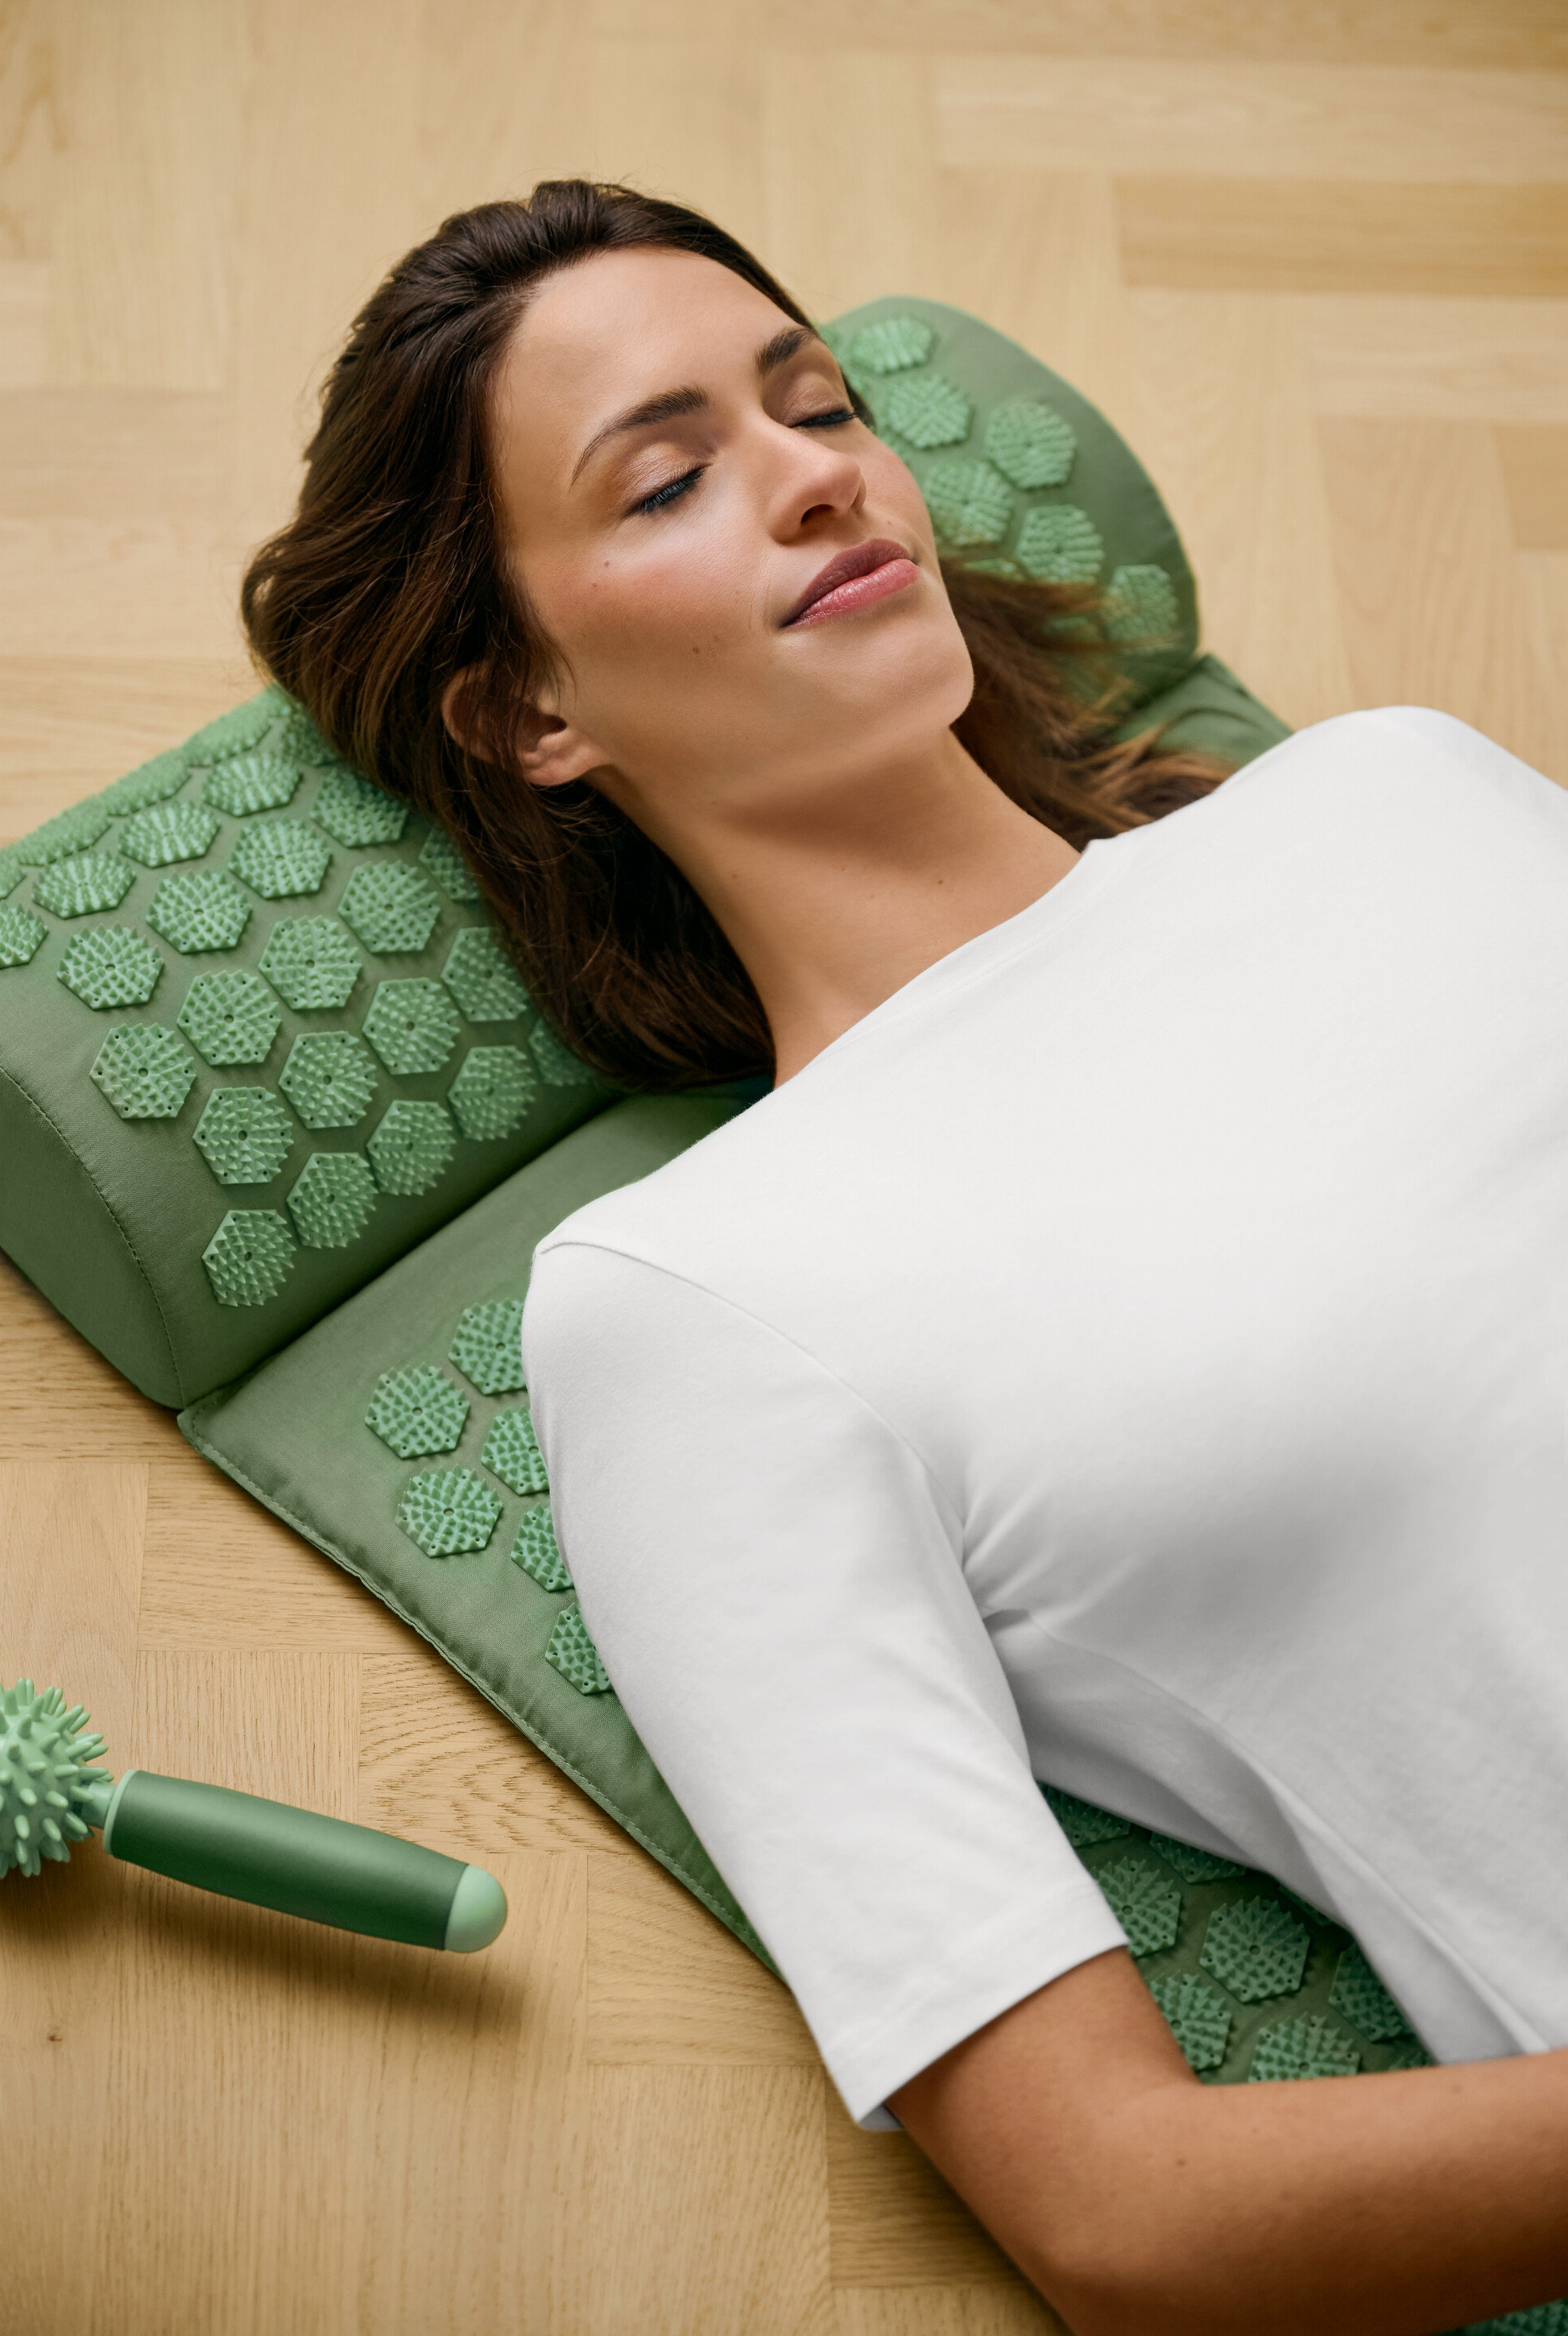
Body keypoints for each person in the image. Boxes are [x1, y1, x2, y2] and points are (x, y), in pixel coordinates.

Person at [242, 180, 1568, 2336]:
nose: (811, 471)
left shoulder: (1392, 797)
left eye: (818, 399)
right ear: (528, 714)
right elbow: (1126, 2211)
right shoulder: (698, 1300)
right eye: (670, 476)